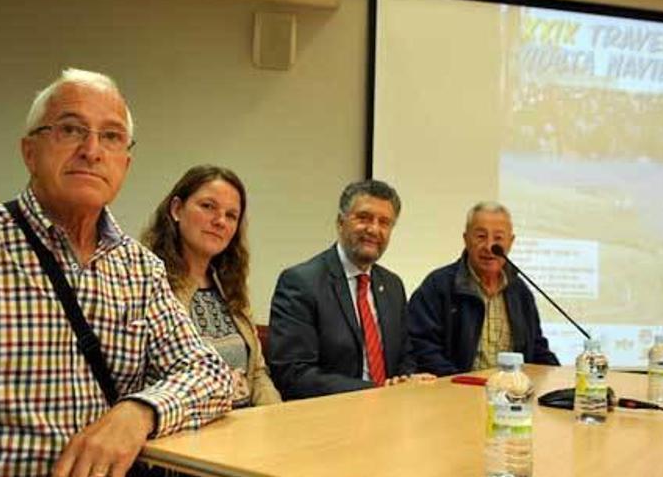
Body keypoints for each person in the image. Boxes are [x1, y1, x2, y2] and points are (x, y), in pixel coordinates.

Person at [0, 68, 233, 476]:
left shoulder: (138, 269)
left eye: (112, 136)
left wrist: (139, 411)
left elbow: (210, 373)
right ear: (30, 151)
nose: (92, 150)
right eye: (70, 129)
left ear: (125, 163)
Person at [268, 180, 434, 400]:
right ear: (340, 222)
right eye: (364, 218)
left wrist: (405, 380)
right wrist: (374, 391)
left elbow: (405, 356)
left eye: (384, 222)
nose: (374, 229)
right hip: (330, 416)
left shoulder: (393, 285)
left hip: (392, 411)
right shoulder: (300, 283)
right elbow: (294, 374)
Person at [142, 165, 281, 407]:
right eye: (208, 207)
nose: (219, 221)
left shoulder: (232, 286)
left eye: (231, 215)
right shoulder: (148, 284)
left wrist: (277, 422)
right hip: (183, 433)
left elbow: (258, 374)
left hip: (246, 431)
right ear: (176, 209)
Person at [408, 202, 559, 376]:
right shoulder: (438, 285)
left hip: (511, 395)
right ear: (466, 239)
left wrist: (559, 377)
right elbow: (422, 346)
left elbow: (536, 348)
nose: (489, 246)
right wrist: (458, 385)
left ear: (511, 242)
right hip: (455, 393)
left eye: (498, 238)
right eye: (480, 236)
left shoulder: (520, 291)